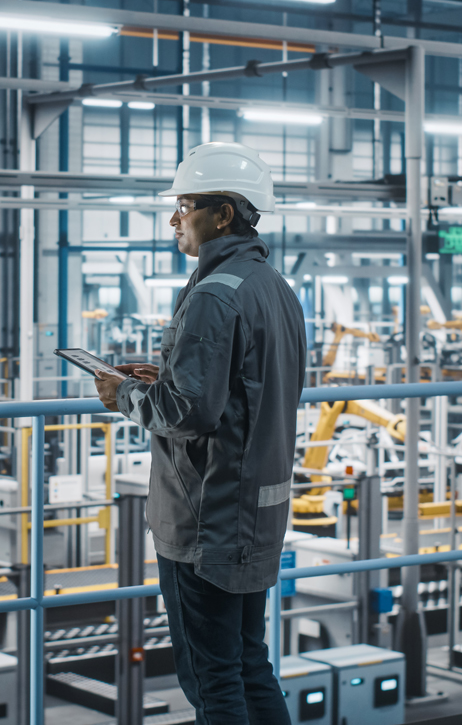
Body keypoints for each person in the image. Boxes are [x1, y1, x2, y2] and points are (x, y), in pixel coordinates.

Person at [94, 142, 307, 725]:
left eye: (184, 206)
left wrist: (127, 395)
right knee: (249, 662)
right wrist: (169, 374)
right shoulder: (274, 288)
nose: (174, 220)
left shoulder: (213, 294)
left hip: (204, 519)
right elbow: (248, 384)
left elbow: (190, 414)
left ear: (223, 215)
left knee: (212, 678)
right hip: (255, 510)